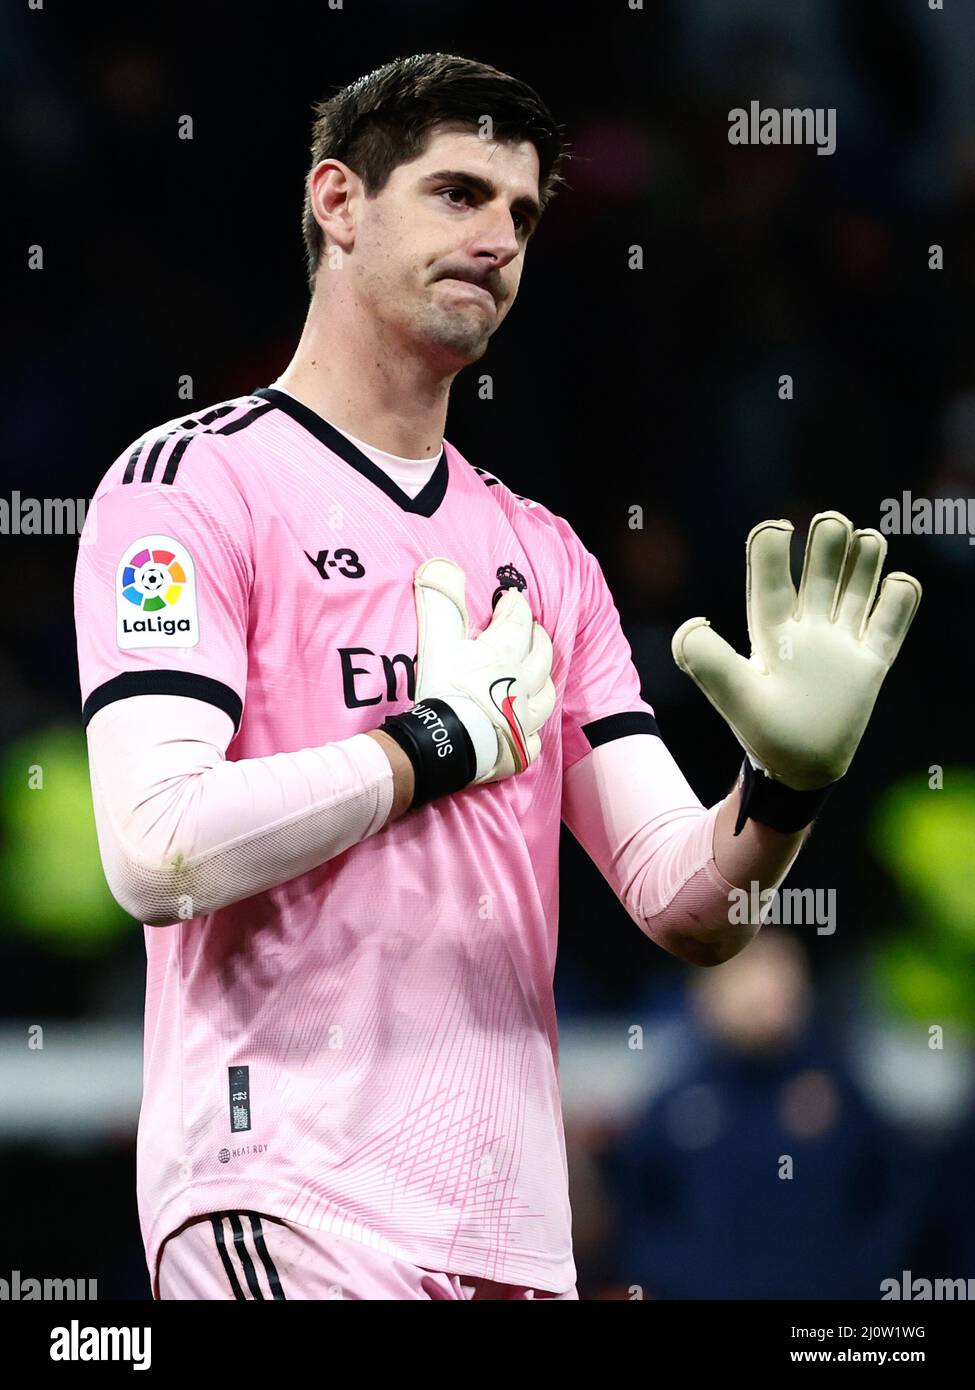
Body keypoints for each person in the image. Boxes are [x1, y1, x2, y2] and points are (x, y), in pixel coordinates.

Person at [73, 53, 920, 1300]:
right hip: (285, 1205)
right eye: (459, 193)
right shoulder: (195, 486)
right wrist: (426, 745)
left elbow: (682, 903)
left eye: (522, 214)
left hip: (513, 1242)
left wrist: (781, 792)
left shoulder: (546, 557)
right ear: (339, 202)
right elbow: (156, 850)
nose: (499, 239)